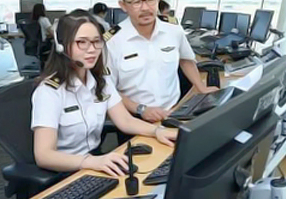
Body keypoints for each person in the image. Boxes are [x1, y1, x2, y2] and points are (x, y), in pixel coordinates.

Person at [31, 9, 177, 176]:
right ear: (61, 46)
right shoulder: (49, 92)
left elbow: (125, 120)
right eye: (81, 42)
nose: (92, 49)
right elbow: (44, 155)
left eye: (96, 41)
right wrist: (91, 162)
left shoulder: (100, 81)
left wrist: (157, 131)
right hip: (65, 170)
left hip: (95, 162)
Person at [106, 0, 218, 123]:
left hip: (175, 111)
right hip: (135, 118)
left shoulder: (173, 29)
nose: (145, 8)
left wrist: (201, 87)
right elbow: (108, 89)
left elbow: (186, 59)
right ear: (123, 5)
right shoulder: (112, 42)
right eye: (137, 2)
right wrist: (141, 109)